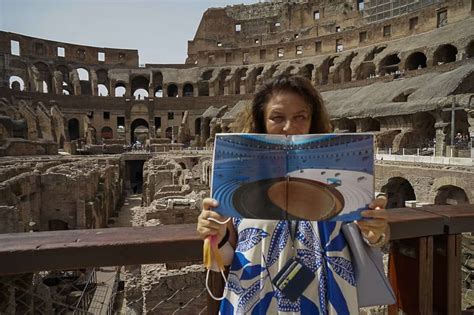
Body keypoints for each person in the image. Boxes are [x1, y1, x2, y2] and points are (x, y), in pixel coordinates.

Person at [197, 75, 389, 314]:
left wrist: (377, 232)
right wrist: (217, 234)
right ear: (262, 121)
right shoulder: (236, 179)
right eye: (277, 118)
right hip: (255, 299)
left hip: (325, 299)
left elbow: (370, 237)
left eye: (300, 117)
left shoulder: (342, 175)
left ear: (312, 120)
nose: (289, 126)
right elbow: (222, 260)